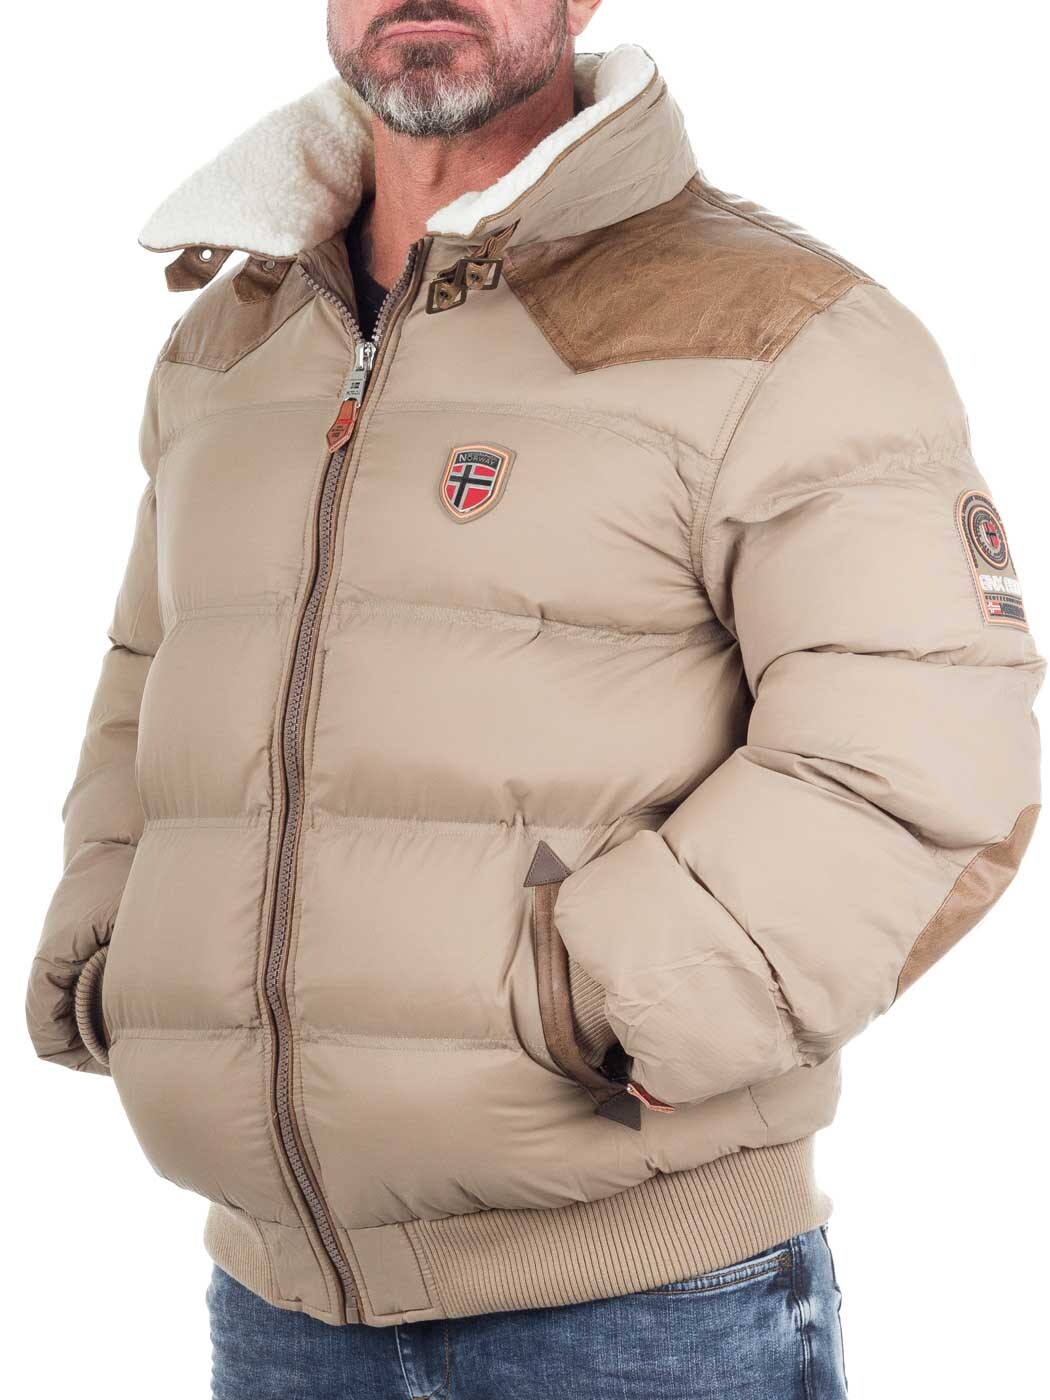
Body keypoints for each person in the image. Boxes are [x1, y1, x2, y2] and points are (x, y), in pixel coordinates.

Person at [27, 2, 1042, 1397]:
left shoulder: (775, 327)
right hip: (278, 1303)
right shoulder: (236, 340)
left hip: (643, 1312)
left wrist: (632, 997)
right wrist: (113, 930)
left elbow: (928, 732)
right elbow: (148, 676)